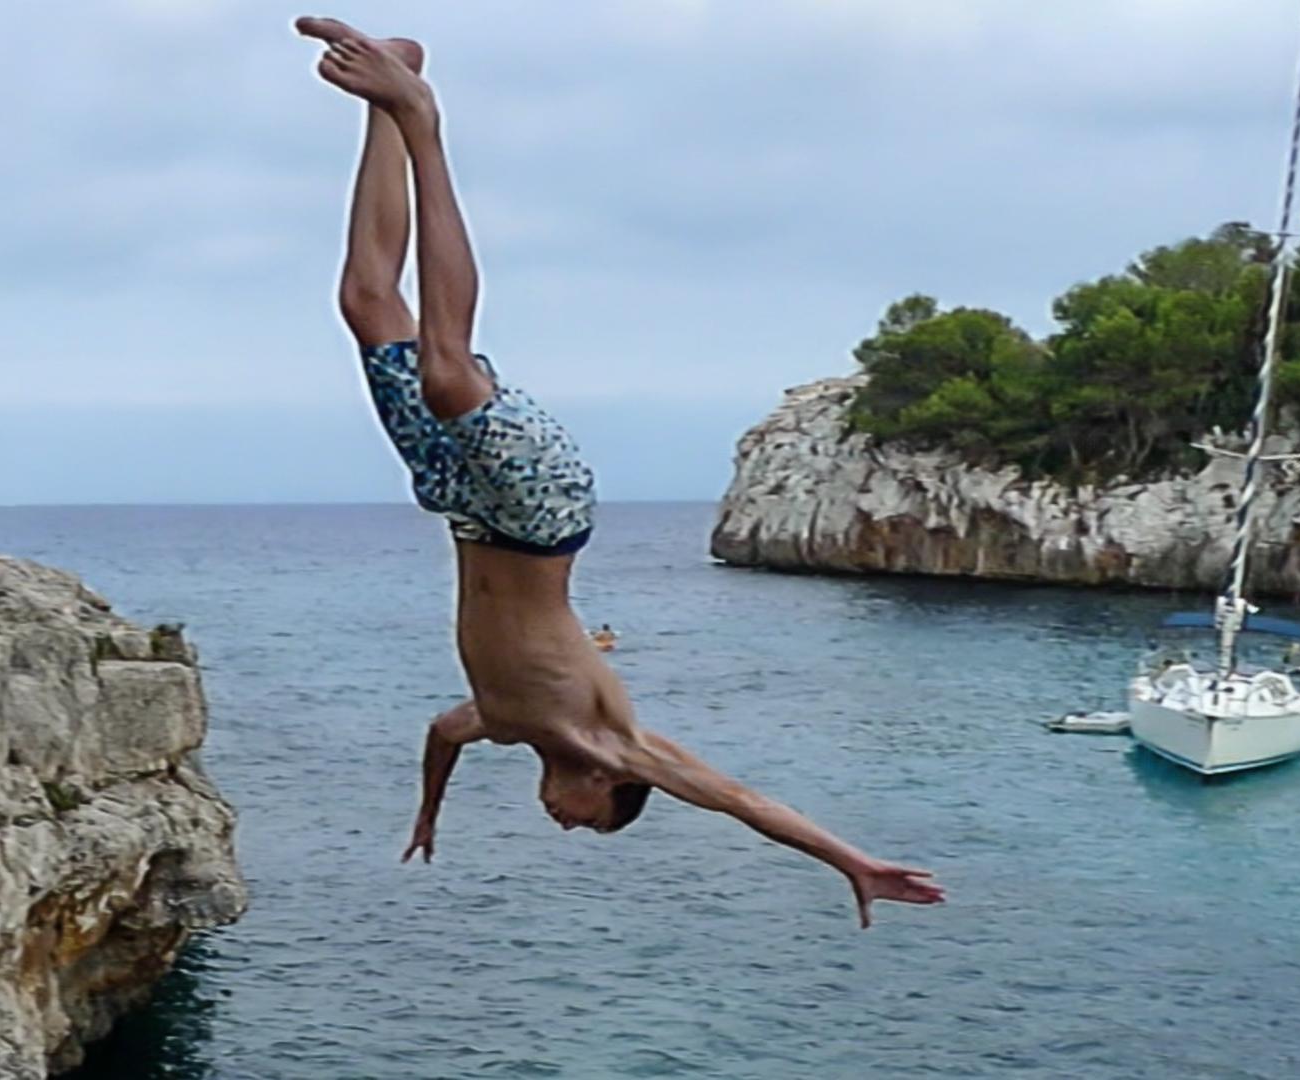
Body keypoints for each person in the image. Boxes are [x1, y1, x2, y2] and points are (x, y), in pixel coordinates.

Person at [296, 17, 943, 927]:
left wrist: (427, 810)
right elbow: (748, 803)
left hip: (465, 508)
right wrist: (850, 861)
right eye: (593, 825)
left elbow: (442, 735)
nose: (570, 827)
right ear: (608, 787)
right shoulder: (616, 743)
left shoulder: (508, 723)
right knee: (447, 371)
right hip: (541, 510)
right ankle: (423, 122)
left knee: (367, 305)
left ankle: (387, 96)